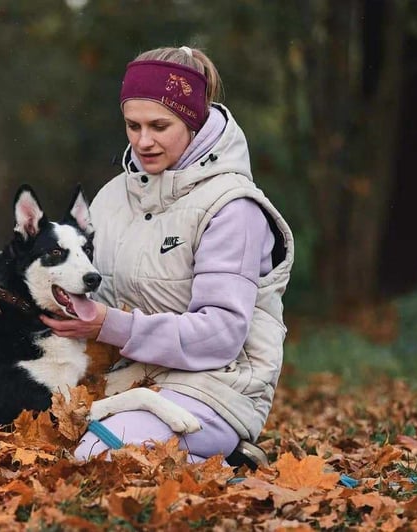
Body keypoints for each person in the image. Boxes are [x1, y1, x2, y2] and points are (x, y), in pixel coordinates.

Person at [41, 45, 294, 465]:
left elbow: (220, 335)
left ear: (193, 120)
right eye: (133, 125)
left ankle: (232, 468)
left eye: (159, 126)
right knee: (37, 438)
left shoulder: (233, 207)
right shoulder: (112, 196)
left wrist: (110, 325)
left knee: (103, 458)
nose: (143, 141)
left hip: (213, 388)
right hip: (123, 380)